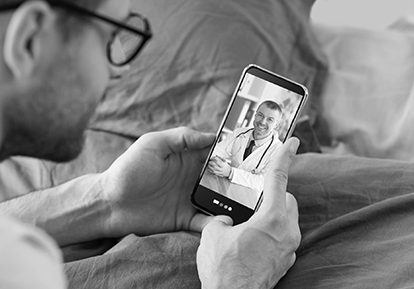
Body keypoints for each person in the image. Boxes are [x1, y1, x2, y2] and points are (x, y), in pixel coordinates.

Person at [0, 0, 301, 288]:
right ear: (30, 39)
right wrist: (237, 280)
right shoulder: (21, 265)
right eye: (109, 38)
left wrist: (105, 200)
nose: (121, 70)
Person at [208, 100, 284, 192]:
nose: (263, 122)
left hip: (248, 196)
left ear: (276, 125)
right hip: (225, 187)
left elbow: (264, 183)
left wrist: (230, 172)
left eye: (270, 119)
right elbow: (218, 150)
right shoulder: (240, 132)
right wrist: (216, 161)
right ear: (255, 115)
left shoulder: (279, 150)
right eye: (260, 115)